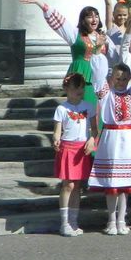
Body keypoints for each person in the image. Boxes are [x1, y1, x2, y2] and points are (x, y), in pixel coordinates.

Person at [88, 63, 131, 235]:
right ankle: (111, 219)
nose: (121, 82)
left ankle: (122, 218)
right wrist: (98, 54)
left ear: (129, 79)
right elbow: (98, 75)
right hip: (111, 138)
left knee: (125, 184)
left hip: (128, 139)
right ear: (112, 78)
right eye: (117, 78)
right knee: (112, 183)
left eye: (124, 79)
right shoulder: (106, 94)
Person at [20, 0, 109, 103]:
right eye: (90, 17)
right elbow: (59, 21)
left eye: (96, 16)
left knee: (99, 111)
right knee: (83, 107)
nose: (94, 19)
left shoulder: (102, 37)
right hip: (82, 76)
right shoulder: (75, 34)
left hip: (99, 79)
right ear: (83, 20)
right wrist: (40, 3)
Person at [52, 74, 95, 237]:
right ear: (66, 89)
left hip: (82, 149)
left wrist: (92, 139)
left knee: (77, 186)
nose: (79, 91)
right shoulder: (61, 109)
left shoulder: (89, 106)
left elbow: (94, 130)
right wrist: (56, 139)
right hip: (68, 148)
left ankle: (74, 221)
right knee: (67, 185)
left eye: (81, 87)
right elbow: (57, 131)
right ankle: (64, 223)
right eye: (75, 88)